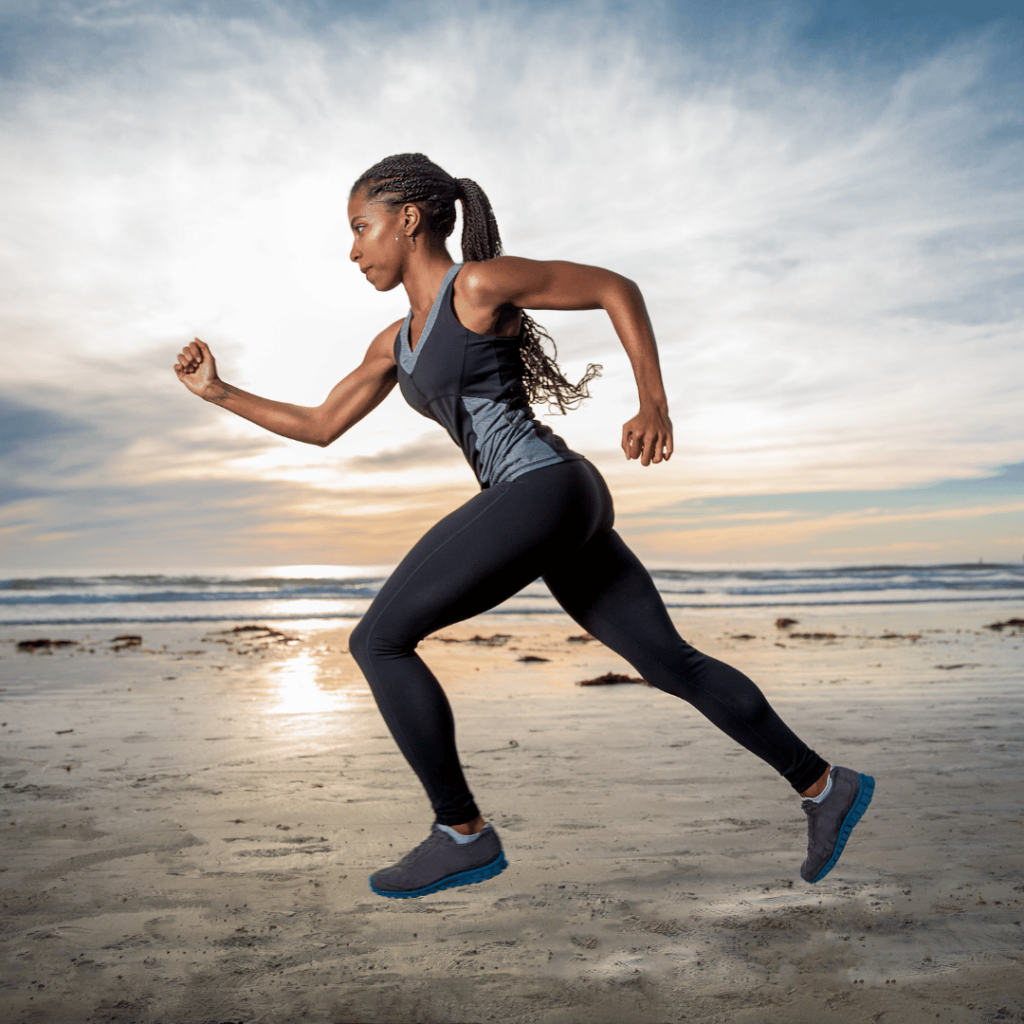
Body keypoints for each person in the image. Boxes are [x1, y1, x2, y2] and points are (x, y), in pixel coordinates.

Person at [174, 152, 873, 900]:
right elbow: (320, 425)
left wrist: (654, 402)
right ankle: (823, 784)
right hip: (558, 501)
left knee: (376, 639)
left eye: (360, 228)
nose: (353, 250)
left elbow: (615, 288)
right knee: (670, 662)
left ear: (407, 221)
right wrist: (218, 392)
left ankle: (461, 833)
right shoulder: (394, 341)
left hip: (542, 488)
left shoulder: (475, 286)